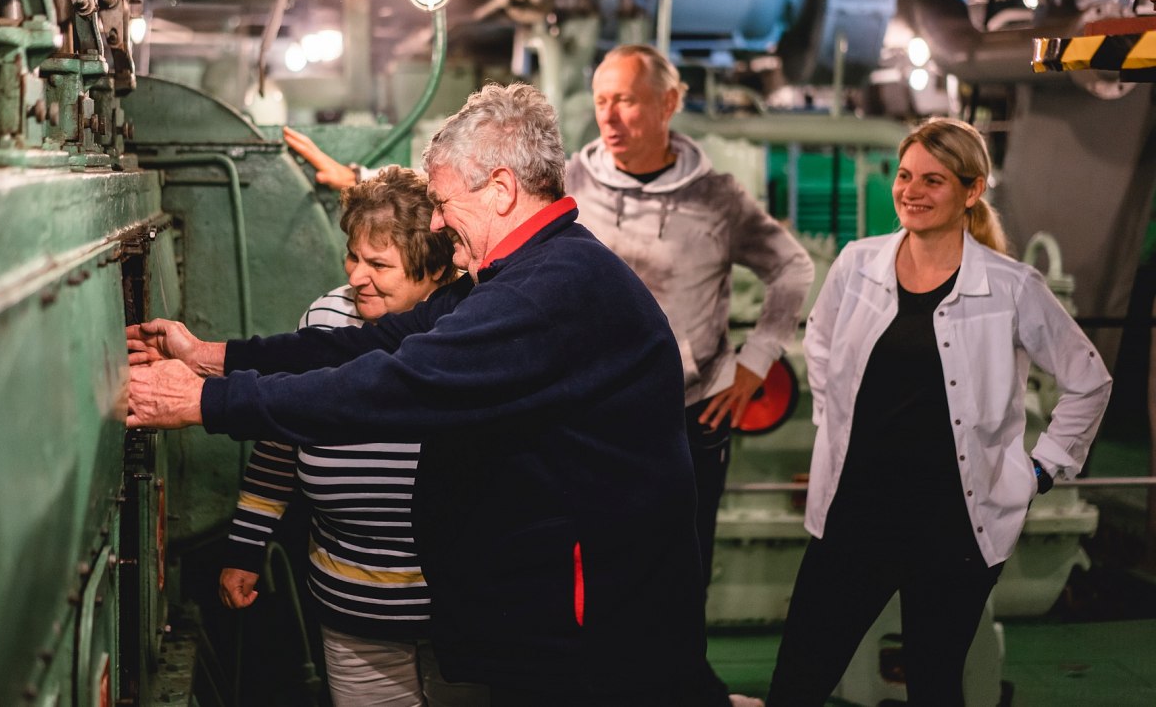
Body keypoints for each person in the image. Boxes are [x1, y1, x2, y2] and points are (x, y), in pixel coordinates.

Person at [127, 83, 711, 705]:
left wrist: (206, 403)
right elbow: (368, 345)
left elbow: (393, 386)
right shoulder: (524, 274)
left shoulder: (544, 293)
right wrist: (214, 357)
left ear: (501, 189)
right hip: (560, 617)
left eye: (442, 202)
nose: (434, 221)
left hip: (596, 639)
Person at [766, 117, 1112, 705]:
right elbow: (820, 342)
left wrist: (1042, 469)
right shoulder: (857, 264)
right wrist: (836, 425)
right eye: (904, 176)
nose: (912, 191)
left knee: (934, 684)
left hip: (953, 525)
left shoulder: (1012, 287)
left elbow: (1088, 381)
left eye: (933, 180)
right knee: (798, 679)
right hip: (856, 511)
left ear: (971, 191)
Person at [568, 44, 814, 705]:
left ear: (669, 103)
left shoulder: (717, 197)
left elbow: (792, 267)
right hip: (593, 418)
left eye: (626, 100)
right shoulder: (570, 185)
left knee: (683, 565)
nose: (609, 116)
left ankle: (685, 689)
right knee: (594, 564)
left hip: (691, 414)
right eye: (601, 101)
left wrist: (756, 361)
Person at [219, 166, 487, 707]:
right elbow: (281, 435)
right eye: (353, 257)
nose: (357, 276)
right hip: (350, 604)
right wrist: (245, 546)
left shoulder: (473, 327)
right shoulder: (326, 318)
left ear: (436, 268)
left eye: (379, 264)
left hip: (460, 610)